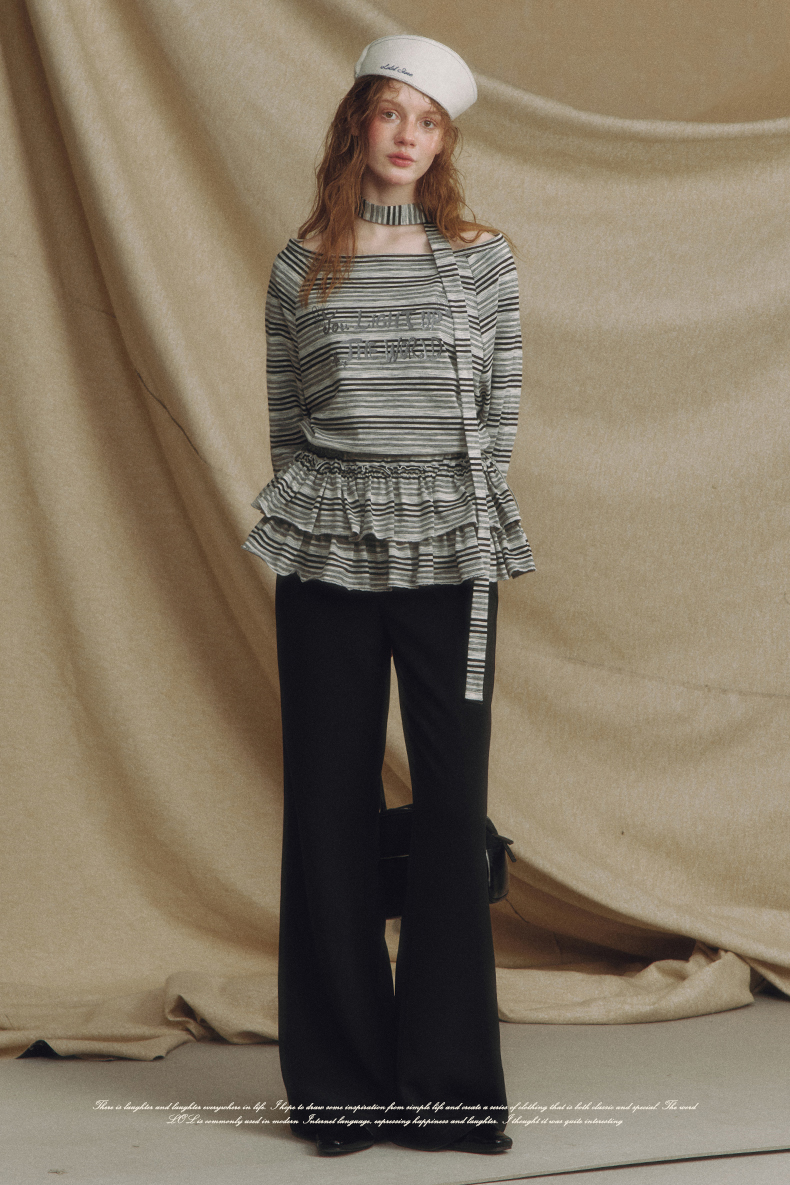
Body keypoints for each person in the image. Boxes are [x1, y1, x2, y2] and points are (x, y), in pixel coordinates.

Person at [242, 34, 535, 1157]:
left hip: (453, 555)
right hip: (326, 553)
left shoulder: (482, 263)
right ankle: (342, 1090)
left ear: (444, 141)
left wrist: (460, 522)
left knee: (453, 811)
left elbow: (498, 418)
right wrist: (323, 524)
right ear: (357, 123)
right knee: (328, 805)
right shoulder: (299, 266)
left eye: (429, 120)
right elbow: (286, 423)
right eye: (390, 112)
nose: (407, 135)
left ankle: (449, 1090)